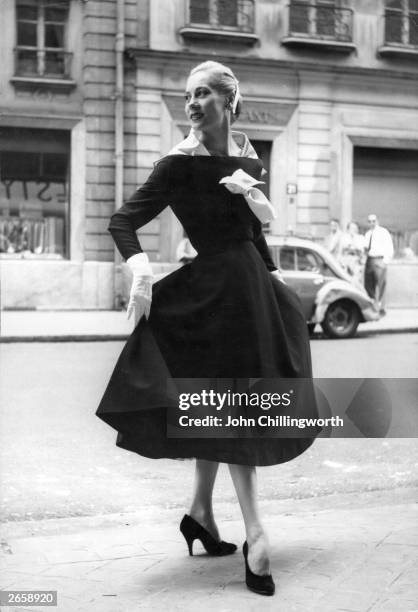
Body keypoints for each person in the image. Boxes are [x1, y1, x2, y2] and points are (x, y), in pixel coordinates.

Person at [96, 60, 320, 597]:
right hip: (216, 294)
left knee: (223, 402)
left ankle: (200, 512)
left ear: (229, 100)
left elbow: (251, 229)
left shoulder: (246, 155)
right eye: (188, 95)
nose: (192, 103)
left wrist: (274, 280)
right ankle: (257, 536)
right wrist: (143, 271)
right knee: (231, 405)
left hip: (251, 292)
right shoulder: (177, 163)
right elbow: (122, 221)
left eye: (202, 94)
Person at [364, 214, 394, 315]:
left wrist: (385, 261)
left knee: (381, 285)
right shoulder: (368, 234)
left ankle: (381, 308)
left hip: (380, 259)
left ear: (377, 221)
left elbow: (389, 246)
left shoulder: (383, 232)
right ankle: (373, 306)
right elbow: (365, 247)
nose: (372, 223)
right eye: (369, 221)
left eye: (373, 221)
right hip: (369, 260)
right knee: (369, 284)